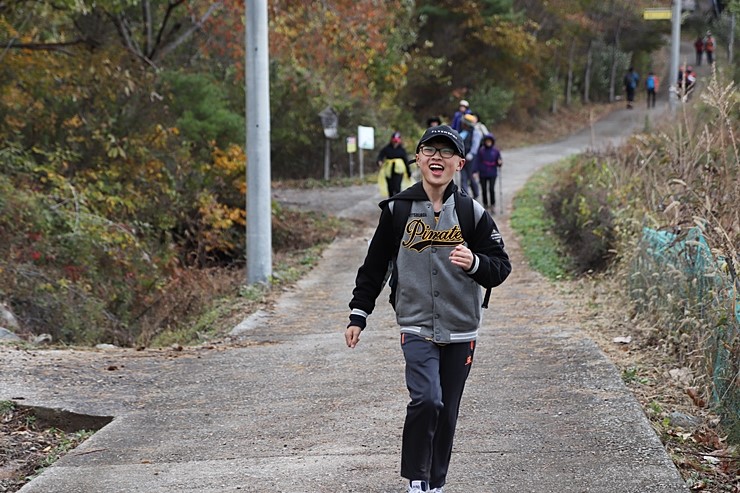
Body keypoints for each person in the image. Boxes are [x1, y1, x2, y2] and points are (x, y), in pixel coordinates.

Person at [345, 125, 512, 493]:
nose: (437, 157)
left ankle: (436, 483)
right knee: (426, 399)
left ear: (459, 163)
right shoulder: (397, 211)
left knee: (447, 409)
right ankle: (417, 480)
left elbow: (500, 267)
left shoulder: (471, 212)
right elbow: (374, 267)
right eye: (429, 150)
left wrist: (474, 264)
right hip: (416, 323)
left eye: (446, 151)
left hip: (461, 328)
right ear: (417, 159)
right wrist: (359, 313)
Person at [377, 131, 411, 197]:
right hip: (388, 171)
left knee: (397, 187)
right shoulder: (387, 148)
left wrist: (408, 172)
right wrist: (379, 161)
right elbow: (380, 156)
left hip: (399, 171)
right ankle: (391, 202)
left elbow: (406, 161)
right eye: (394, 140)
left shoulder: (402, 150)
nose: (395, 142)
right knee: (390, 188)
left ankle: (397, 202)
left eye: (397, 141)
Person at [476, 134, 502, 213]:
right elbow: (477, 162)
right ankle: (485, 204)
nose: (488, 143)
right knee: (484, 189)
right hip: (483, 172)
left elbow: (499, 161)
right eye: (487, 141)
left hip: (492, 172)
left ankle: (493, 205)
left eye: (489, 141)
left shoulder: (496, 151)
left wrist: (500, 163)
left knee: (491, 189)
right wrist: (475, 171)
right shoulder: (481, 151)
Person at [459, 113, 482, 200]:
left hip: (471, 158)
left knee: (470, 176)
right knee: (463, 176)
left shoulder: (476, 132)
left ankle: (476, 193)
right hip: (462, 157)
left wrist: (471, 154)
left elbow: (475, 145)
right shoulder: (463, 132)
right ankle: (465, 195)